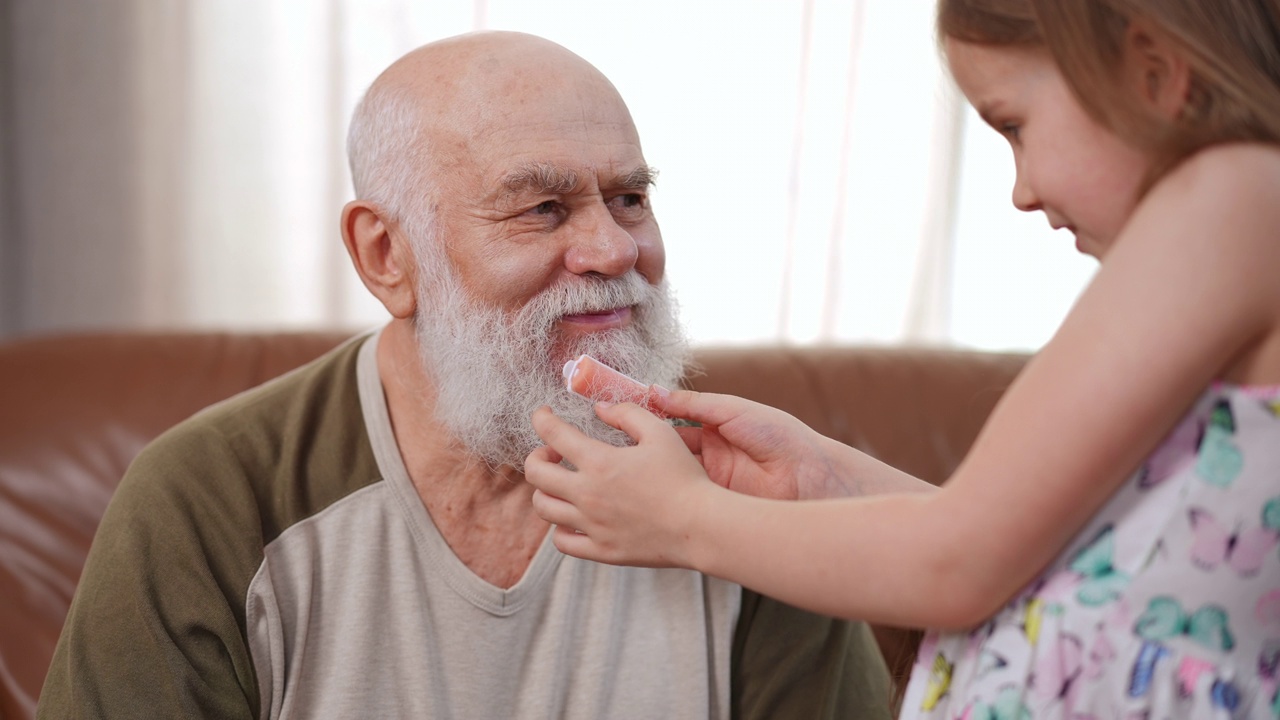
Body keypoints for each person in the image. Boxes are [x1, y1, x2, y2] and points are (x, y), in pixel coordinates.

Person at [36, 32, 894, 719]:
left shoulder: (742, 500)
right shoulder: (205, 500)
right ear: (386, 255)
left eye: (630, 198)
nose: (615, 249)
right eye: (543, 209)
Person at [524, 0, 1280, 717]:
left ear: (1153, 70)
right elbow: (1042, 553)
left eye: (1014, 125)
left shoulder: (1235, 194)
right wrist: (827, 476)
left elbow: (960, 563)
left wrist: (682, 520)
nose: (1021, 190)